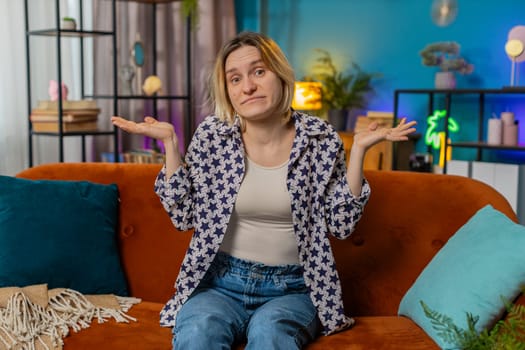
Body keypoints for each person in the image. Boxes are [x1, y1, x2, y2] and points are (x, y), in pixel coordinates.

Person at [112, 31, 416, 350]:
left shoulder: (319, 139)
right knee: (198, 333)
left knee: (271, 335)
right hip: (219, 284)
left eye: (259, 71)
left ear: (280, 76)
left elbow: (340, 226)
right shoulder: (212, 138)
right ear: (227, 91)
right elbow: (184, 217)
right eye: (235, 79)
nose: (248, 87)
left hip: (293, 289)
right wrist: (171, 145)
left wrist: (358, 154)